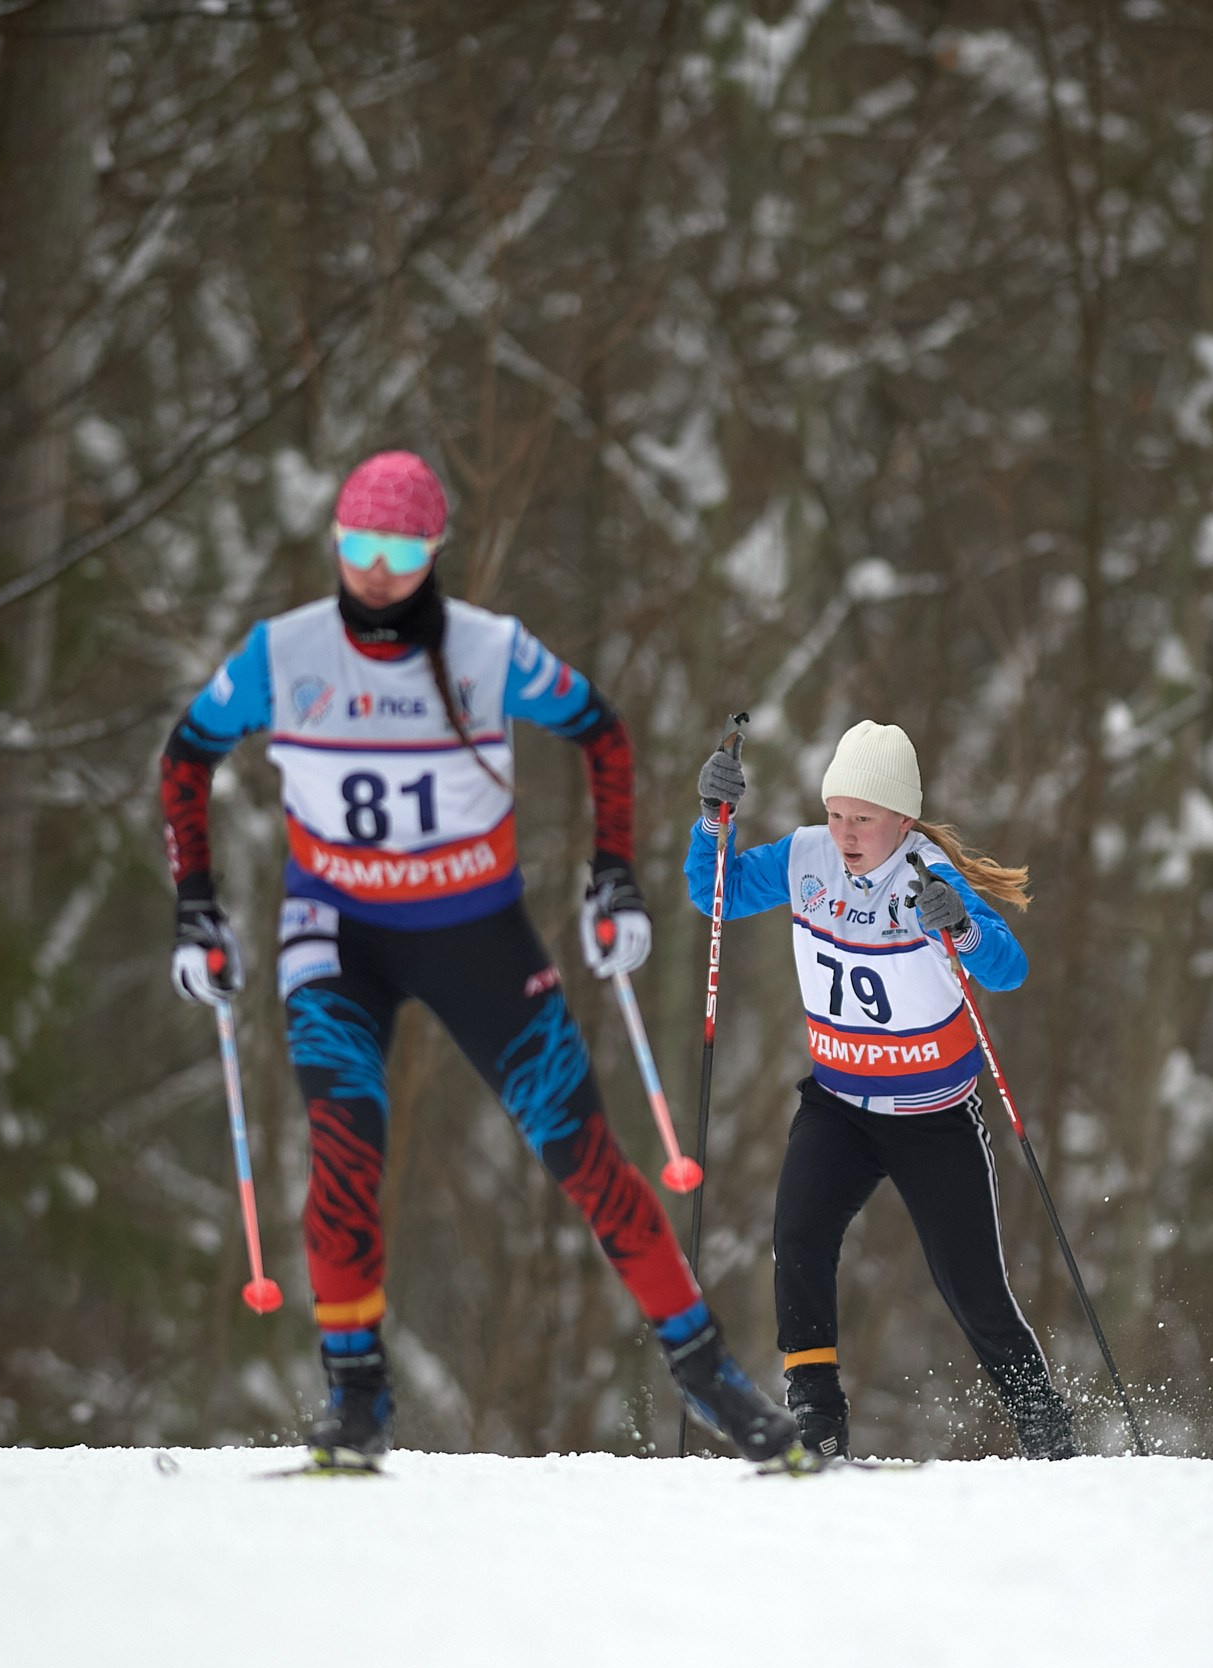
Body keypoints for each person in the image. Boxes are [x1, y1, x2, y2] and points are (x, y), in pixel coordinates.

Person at [158, 449, 799, 1472]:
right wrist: (197, 908)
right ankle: (354, 1390)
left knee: (581, 1150)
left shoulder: (488, 651)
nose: (375, 570)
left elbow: (601, 732)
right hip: (336, 933)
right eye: (357, 546)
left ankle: (709, 1371)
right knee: (343, 1141)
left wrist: (612, 878)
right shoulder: (285, 653)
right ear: (335, 543)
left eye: (399, 550)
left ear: (433, 552)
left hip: (474, 931)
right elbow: (187, 753)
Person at [685, 719, 1077, 1460]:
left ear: (901, 818)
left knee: (972, 1289)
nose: (845, 833)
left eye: (863, 819)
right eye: (837, 814)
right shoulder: (806, 857)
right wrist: (713, 824)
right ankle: (816, 1415)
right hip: (839, 1107)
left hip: (934, 1117)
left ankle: (1045, 1427)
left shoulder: (927, 876)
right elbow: (717, 897)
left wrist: (959, 927)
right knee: (798, 1239)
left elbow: (1007, 968)